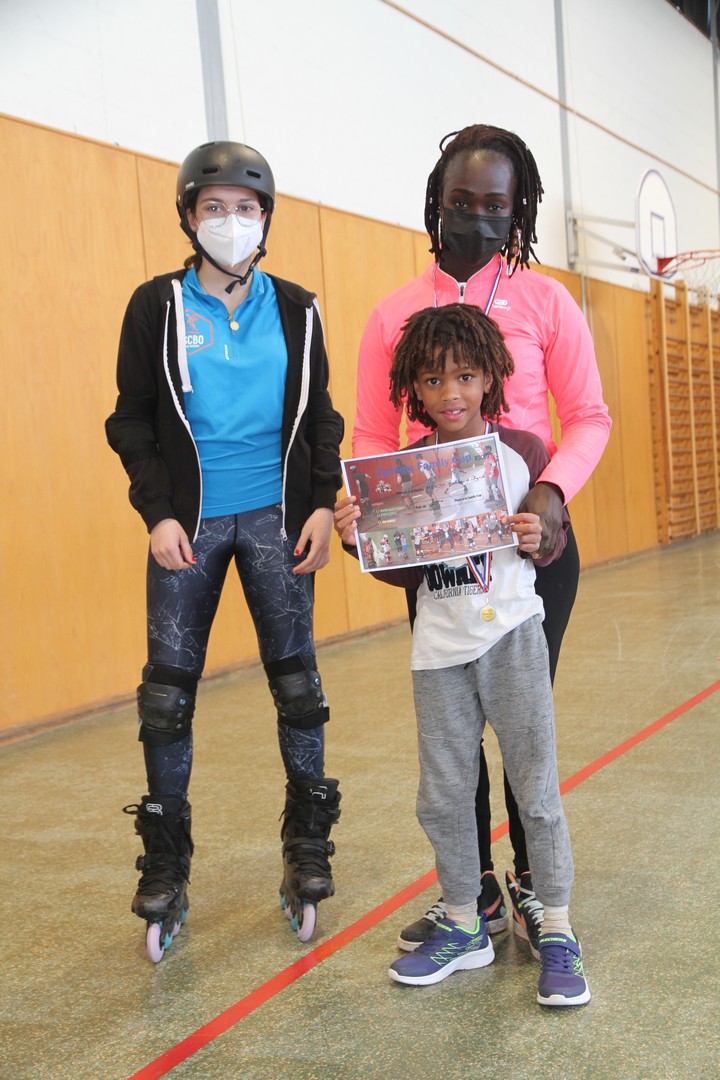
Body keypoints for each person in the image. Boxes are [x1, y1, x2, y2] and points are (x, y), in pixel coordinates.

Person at [352, 123, 611, 954]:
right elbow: (371, 433)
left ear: (518, 209)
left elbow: (590, 417)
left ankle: (535, 882)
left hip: (533, 552)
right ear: (438, 202)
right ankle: (472, 899)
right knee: (452, 736)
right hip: (439, 562)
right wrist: (373, 512)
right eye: (462, 202)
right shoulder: (393, 312)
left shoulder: (547, 302)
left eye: (496, 205)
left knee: (524, 730)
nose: (478, 217)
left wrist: (552, 491)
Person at [106, 141, 344, 960]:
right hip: (191, 525)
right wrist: (157, 513)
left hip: (280, 518)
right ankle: (166, 862)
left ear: (266, 219)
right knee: (166, 699)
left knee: (298, 688)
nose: (231, 222)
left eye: (246, 209)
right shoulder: (157, 305)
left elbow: (321, 417)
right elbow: (130, 418)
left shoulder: (298, 308)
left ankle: (306, 842)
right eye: (214, 208)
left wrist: (322, 503)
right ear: (188, 217)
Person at [336, 303, 590, 1007]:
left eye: (466, 376)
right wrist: (359, 540)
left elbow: (551, 540)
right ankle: (462, 922)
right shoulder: (404, 471)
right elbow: (404, 573)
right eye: (432, 380)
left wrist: (540, 538)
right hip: (439, 649)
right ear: (412, 390)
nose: (450, 393)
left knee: (534, 786)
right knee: (444, 793)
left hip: (512, 636)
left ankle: (558, 927)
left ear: (491, 379)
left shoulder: (524, 453)